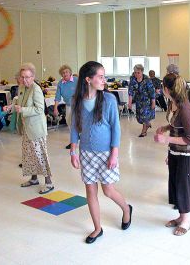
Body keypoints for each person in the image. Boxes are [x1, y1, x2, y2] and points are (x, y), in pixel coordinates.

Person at [70, 61, 132, 244]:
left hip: (106, 153)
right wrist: (73, 151)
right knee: (90, 191)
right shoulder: (77, 101)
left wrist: (114, 153)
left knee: (108, 190)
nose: (104, 80)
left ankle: (127, 209)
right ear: (88, 79)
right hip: (86, 153)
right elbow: (74, 127)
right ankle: (97, 228)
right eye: (101, 76)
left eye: (104, 76)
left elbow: (116, 128)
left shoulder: (108, 100)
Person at [154, 73, 190, 236]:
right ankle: (181, 216)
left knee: (184, 185)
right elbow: (176, 123)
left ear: (166, 89)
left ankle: (186, 221)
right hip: (175, 151)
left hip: (187, 154)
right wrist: (166, 128)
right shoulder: (173, 103)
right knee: (175, 183)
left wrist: (165, 138)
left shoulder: (185, 108)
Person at [16, 63, 54, 194]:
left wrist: (22, 109)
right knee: (29, 155)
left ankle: (49, 182)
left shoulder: (36, 89)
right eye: (22, 77)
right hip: (27, 127)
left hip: (36, 128)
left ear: (33, 77)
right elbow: (19, 102)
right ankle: (34, 179)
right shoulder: (21, 87)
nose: (25, 80)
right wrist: (11, 107)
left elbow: (39, 109)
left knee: (40, 155)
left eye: (27, 77)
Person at [54, 64, 78, 149]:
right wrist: (55, 108)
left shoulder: (76, 80)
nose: (65, 74)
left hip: (78, 105)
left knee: (76, 122)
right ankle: (75, 138)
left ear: (70, 72)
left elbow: (84, 90)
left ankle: (73, 142)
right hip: (68, 105)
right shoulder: (61, 83)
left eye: (67, 72)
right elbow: (57, 96)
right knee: (68, 122)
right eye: (63, 73)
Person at [128, 64, 156, 137]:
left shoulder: (147, 80)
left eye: (138, 72)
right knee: (139, 117)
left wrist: (153, 102)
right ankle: (147, 124)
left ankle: (144, 131)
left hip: (147, 100)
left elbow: (152, 91)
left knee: (144, 116)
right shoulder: (132, 79)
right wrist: (130, 103)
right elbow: (130, 91)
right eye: (135, 72)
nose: (136, 74)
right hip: (138, 100)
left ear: (142, 72)